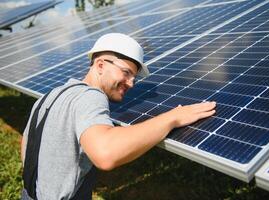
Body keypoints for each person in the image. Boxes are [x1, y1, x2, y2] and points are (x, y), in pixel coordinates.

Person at [21, 33, 216, 199]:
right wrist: (172, 117)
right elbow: (106, 153)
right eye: (126, 72)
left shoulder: (51, 94)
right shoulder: (90, 96)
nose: (131, 83)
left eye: (134, 77)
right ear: (100, 65)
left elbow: (26, 143)